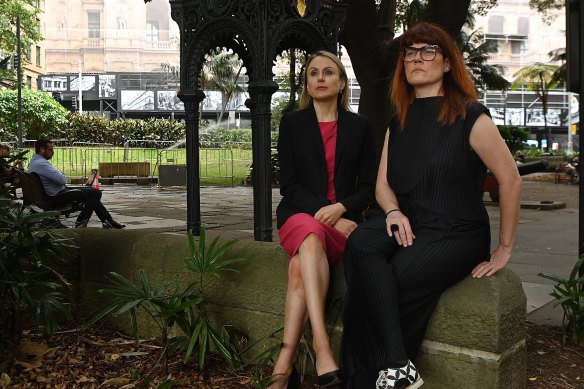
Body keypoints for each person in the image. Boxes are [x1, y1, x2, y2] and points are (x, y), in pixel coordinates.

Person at [340, 22, 522, 389]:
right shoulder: (399, 121)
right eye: (409, 52)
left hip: (457, 230)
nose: (416, 58)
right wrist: (391, 211)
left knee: (393, 278)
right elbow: (382, 187)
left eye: (428, 51)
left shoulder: (471, 116)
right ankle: (396, 366)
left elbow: (510, 179)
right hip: (410, 220)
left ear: (448, 62)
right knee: (360, 244)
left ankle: (370, 377)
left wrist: (504, 248)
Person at [269, 51, 376, 389]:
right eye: (313, 73)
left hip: (342, 222)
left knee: (301, 264)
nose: (320, 78)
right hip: (298, 216)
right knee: (310, 236)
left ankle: (283, 366)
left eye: (328, 72)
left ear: (342, 83)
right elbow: (290, 186)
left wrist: (342, 209)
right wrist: (329, 214)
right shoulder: (292, 123)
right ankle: (321, 345)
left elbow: (369, 188)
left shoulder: (359, 128)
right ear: (307, 83)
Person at [28, 138, 126, 229]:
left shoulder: (34, 162)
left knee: (93, 193)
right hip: (55, 197)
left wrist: (59, 175)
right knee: (95, 193)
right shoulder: (42, 164)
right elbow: (62, 180)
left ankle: (107, 220)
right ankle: (82, 222)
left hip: (53, 194)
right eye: (50, 150)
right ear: (42, 150)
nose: (53, 152)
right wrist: (61, 174)